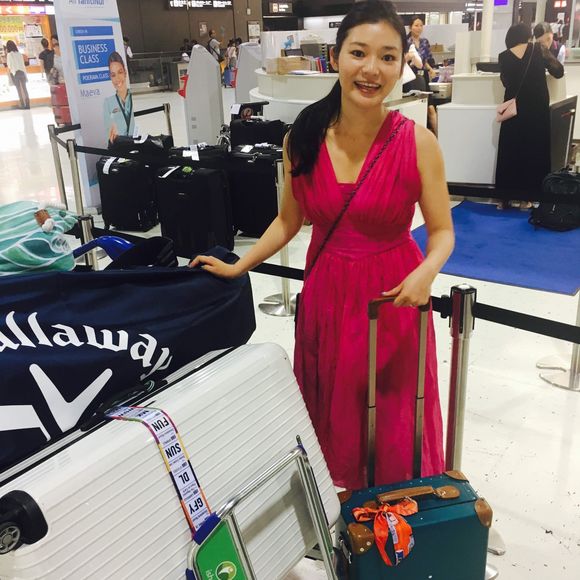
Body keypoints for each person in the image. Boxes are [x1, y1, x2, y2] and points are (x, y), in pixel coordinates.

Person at [190, 0, 454, 490]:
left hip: (393, 299)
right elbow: (288, 220)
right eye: (359, 52)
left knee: (393, 421)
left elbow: (442, 232)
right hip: (328, 296)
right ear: (336, 57)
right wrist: (239, 266)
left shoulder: (418, 143)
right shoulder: (304, 139)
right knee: (334, 417)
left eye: (388, 57)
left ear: (402, 64)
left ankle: (393, 515)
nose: (371, 69)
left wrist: (426, 273)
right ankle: (343, 513)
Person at [495, 23, 564, 209]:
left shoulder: (503, 56)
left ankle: (504, 198)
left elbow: (506, 82)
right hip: (536, 108)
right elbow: (558, 71)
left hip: (513, 110)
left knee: (511, 150)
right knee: (534, 150)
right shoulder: (538, 49)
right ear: (528, 36)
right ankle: (528, 199)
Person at [407, 15, 438, 135]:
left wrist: (430, 69)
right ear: (410, 27)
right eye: (416, 25)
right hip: (411, 78)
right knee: (416, 109)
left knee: (431, 108)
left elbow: (424, 61)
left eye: (421, 25)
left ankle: (439, 137)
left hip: (423, 76)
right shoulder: (405, 42)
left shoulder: (425, 42)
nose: (419, 28)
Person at [102, 51, 134, 145]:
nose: (117, 79)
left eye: (120, 72)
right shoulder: (108, 103)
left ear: (125, 73)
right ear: (110, 77)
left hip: (139, 146)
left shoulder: (134, 98)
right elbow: (109, 135)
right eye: (113, 75)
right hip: (119, 148)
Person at [5, 40, 30, 109]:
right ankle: (28, 104)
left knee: (19, 90)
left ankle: (22, 105)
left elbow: (9, 66)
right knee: (24, 89)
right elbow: (23, 64)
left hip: (15, 73)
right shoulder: (19, 54)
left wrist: (8, 74)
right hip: (22, 72)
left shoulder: (9, 55)